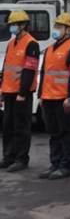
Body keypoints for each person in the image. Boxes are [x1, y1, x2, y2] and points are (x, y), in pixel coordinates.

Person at [37, 13, 70, 180]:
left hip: (64, 98)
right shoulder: (51, 48)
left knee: (66, 132)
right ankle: (55, 163)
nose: (56, 30)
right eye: (56, 26)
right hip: (49, 97)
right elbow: (44, 73)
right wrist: (41, 94)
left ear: (69, 30)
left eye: (59, 27)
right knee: (53, 132)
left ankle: (66, 166)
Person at [1, 11, 40, 172]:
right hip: (9, 91)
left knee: (21, 127)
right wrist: (2, 89)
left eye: (14, 25)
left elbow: (29, 71)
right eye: (10, 25)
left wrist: (22, 93)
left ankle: (21, 159)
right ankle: (8, 157)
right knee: (7, 126)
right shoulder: (11, 43)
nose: (11, 27)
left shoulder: (31, 44)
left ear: (23, 25)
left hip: (21, 94)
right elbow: (6, 68)